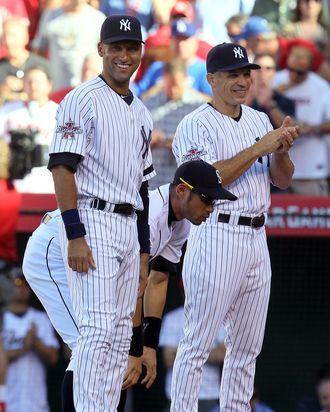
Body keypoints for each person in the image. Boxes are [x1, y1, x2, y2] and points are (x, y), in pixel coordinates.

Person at [22, 160, 237, 411]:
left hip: (90, 259)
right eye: (207, 198)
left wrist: (148, 345)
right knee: (89, 342)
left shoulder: (182, 223)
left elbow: (158, 279)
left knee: (112, 349)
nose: (211, 207)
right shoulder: (152, 214)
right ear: (181, 190)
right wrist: (135, 349)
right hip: (53, 252)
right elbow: (134, 286)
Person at [170, 42, 300, 411]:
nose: (243, 81)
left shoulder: (259, 119)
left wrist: (281, 151)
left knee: (246, 348)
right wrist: (261, 147)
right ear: (211, 79)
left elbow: (283, 180)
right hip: (216, 232)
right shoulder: (194, 123)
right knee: (197, 343)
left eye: (246, 73)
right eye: (233, 74)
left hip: (257, 235)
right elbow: (205, 179)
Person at [47, 14, 156, 411]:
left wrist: (144, 253)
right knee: (95, 330)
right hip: (91, 218)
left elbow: (143, 188)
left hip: (128, 225)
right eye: (116, 48)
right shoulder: (82, 99)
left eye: (132, 48)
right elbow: (62, 166)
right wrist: (74, 232)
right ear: (101, 50)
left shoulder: (141, 112)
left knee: (116, 334)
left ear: (141, 52)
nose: (124, 55)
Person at [142, 57, 209, 188]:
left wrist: (180, 144)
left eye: (176, 84)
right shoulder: (149, 104)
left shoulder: (199, 107)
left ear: (185, 79)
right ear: (163, 79)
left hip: (186, 185)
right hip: (155, 182)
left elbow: (207, 149)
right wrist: (149, 140)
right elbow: (134, 144)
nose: (172, 89)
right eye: (169, 84)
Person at [272, 45, 330, 196]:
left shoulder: (321, 87)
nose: (293, 76)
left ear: (309, 69)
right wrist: (274, 94)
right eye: (290, 69)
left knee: (313, 216)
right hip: (277, 169)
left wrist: (313, 128)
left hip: (310, 168)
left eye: (299, 72)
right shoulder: (276, 80)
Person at [1, 272, 59, 412]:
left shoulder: (41, 318)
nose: (22, 288)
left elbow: (54, 358)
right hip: (7, 400)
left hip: (36, 401)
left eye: (26, 285)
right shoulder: (2, 318)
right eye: (18, 283)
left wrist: (35, 343)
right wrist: (24, 347)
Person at [160, 305, 226, 412]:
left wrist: (188, 352)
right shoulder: (172, 317)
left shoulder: (217, 316)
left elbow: (224, 353)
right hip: (178, 394)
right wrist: (205, 351)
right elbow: (169, 359)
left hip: (208, 394)